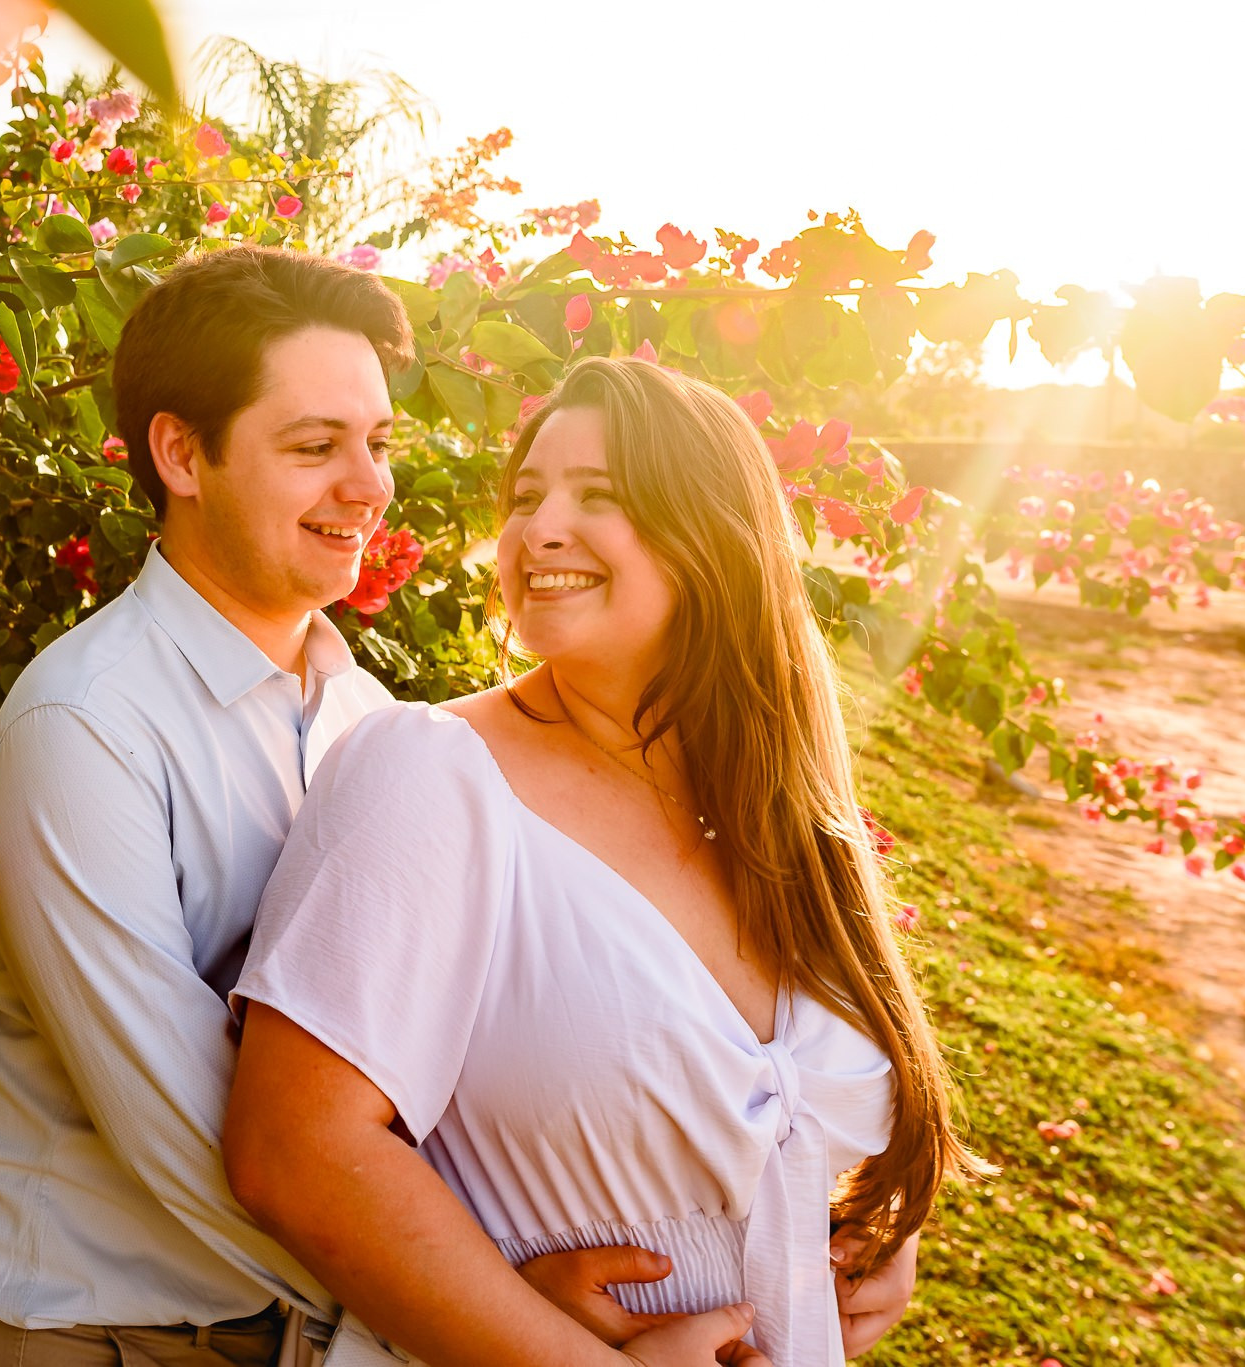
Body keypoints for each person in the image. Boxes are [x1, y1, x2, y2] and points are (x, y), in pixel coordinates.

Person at [0, 249, 699, 1366]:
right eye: (314, 445)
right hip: (85, 1329)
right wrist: (481, 1305)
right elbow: (197, 1133)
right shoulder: (83, 729)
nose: (368, 486)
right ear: (181, 453)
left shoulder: (363, 711)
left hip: (288, 1328)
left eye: (375, 443)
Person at [226, 355, 980, 1365]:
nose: (536, 528)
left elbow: (799, 1110)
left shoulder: (775, 806)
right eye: (526, 495)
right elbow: (294, 1155)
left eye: (601, 495)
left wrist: (869, 1231)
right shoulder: (432, 773)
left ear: (713, 537)